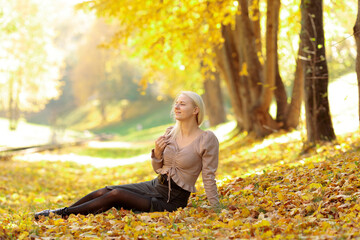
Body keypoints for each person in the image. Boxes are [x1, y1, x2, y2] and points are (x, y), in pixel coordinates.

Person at [34, 91, 220, 220]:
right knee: (105, 190)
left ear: (196, 110)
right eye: (176, 103)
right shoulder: (170, 132)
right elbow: (158, 168)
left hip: (173, 200)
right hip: (156, 185)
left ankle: (62, 214)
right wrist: (156, 153)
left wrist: (216, 207)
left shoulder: (206, 139)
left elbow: (209, 175)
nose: (177, 107)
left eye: (183, 103)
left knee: (116, 195)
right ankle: (62, 212)